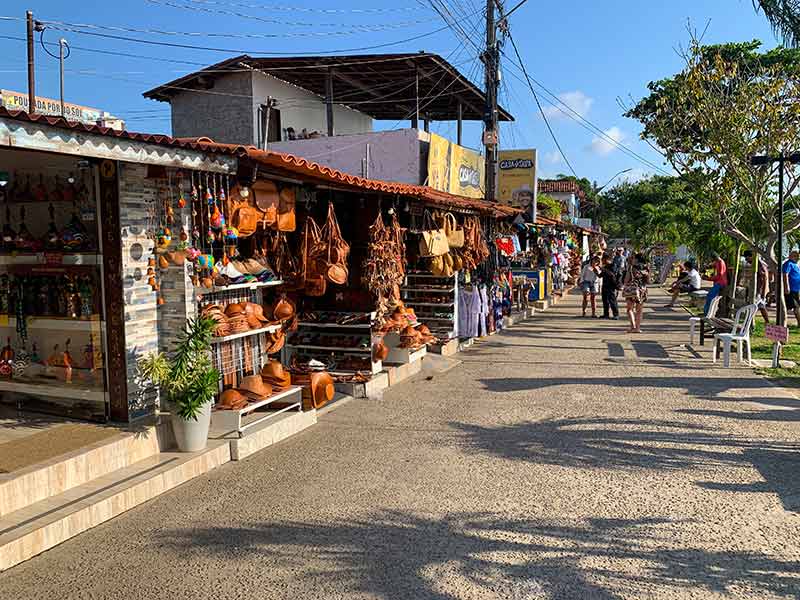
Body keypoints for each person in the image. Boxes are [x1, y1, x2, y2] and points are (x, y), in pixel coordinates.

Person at [623, 253, 650, 333]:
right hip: (642, 289)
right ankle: (638, 328)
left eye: (633, 258)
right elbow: (648, 281)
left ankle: (633, 326)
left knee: (629, 309)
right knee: (639, 310)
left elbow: (626, 280)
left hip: (632, 290)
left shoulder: (631, 268)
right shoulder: (646, 268)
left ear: (636, 259)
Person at [782, 250, 800, 327]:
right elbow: (785, 275)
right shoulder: (788, 264)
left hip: (796, 289)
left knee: (796, 307)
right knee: (796, 307)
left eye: (798, 257)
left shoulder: (795, 265)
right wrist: (786, 287)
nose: (798, 258)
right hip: (791, 289)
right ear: (791, 256)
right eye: (796, 256)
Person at [600, 254, 620, 319]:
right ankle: (606, 314)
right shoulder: (605, 267)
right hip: (605, 285)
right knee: (605, 300)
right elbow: (600, 275)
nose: (602, 261)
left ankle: (616, 314)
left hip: (611, 286)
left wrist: (603, 269)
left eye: (603, 259)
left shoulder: (613, 265)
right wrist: (595, 270)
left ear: (607, 259)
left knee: (612, 300)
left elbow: (612, 274)